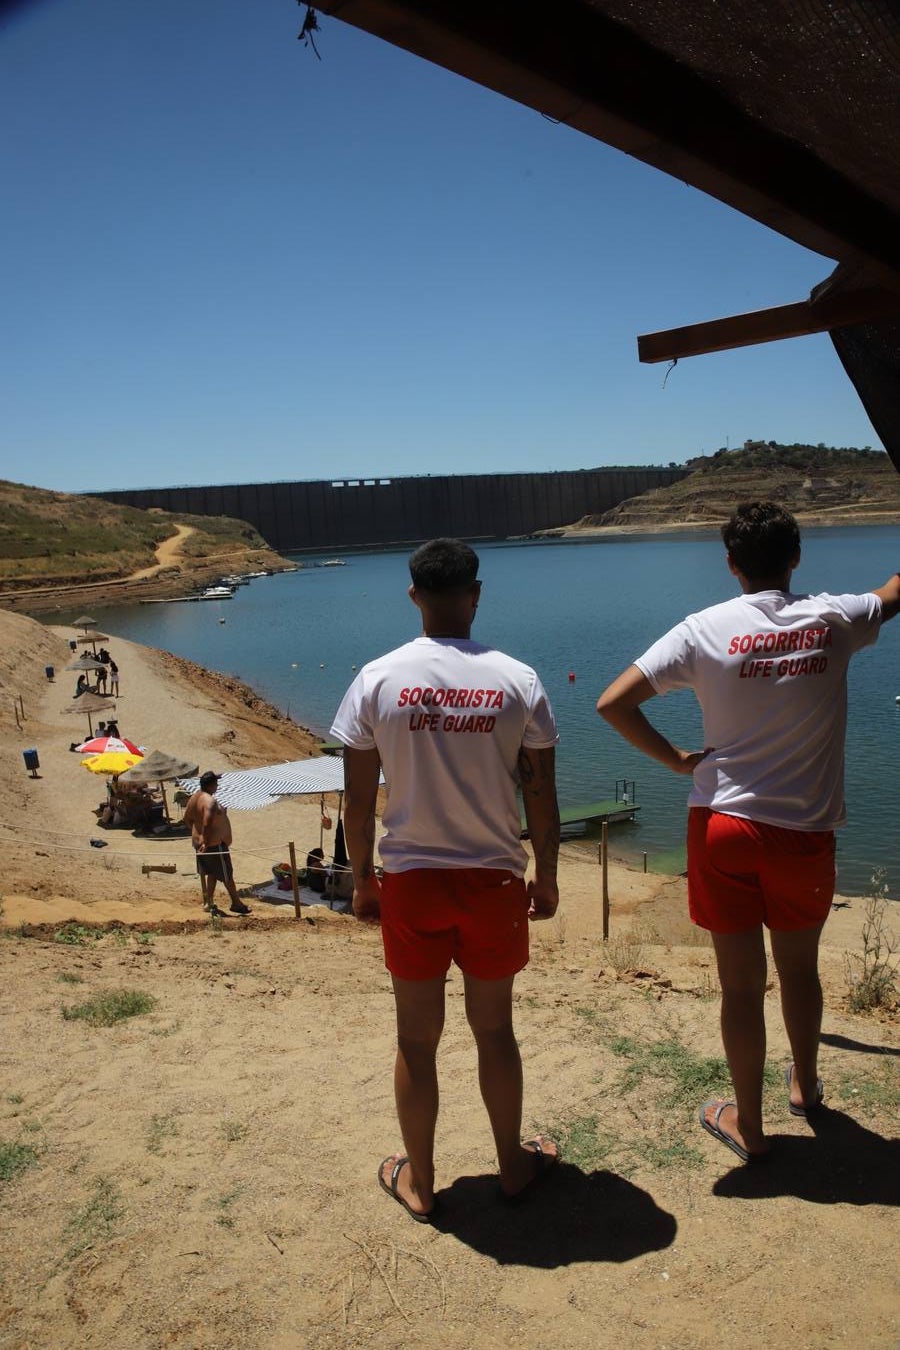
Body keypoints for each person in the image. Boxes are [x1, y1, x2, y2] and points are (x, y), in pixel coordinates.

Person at [597, 501, 900, 1164]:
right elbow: (896, 590)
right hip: (803, 835)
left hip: (723, 827)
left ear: (730, 564)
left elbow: (612, 703)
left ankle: (752, 1129)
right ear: (795, 557)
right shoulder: (835, 617)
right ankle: (808, 1086)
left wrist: (675, 760)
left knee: (740, 986)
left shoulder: (702, 629)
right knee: (800, 971)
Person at [331, 538, 561, 1221]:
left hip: (413, 884)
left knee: (415, 1040)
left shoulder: (376, 679)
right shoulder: (518, 679)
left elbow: (357, 798)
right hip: (493, 883)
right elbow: (542, 795)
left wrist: (363, 880)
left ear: (413, 597)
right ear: (476, 594)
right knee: (495, 1031)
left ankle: (423, 1183)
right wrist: (546, 877)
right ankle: (513, 1167)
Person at [183, 771, 251, 916]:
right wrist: (206, 841)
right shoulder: (210, 802)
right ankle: (236, 903)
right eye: (216, 784)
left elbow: (187, 819)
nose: (217, 787)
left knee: (212, 873)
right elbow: (207, 823)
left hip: (203, 844)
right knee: (227, 876)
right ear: (212, 785)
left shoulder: (194, 798)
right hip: (213, 845)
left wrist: (198, 833)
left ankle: (209, 902)